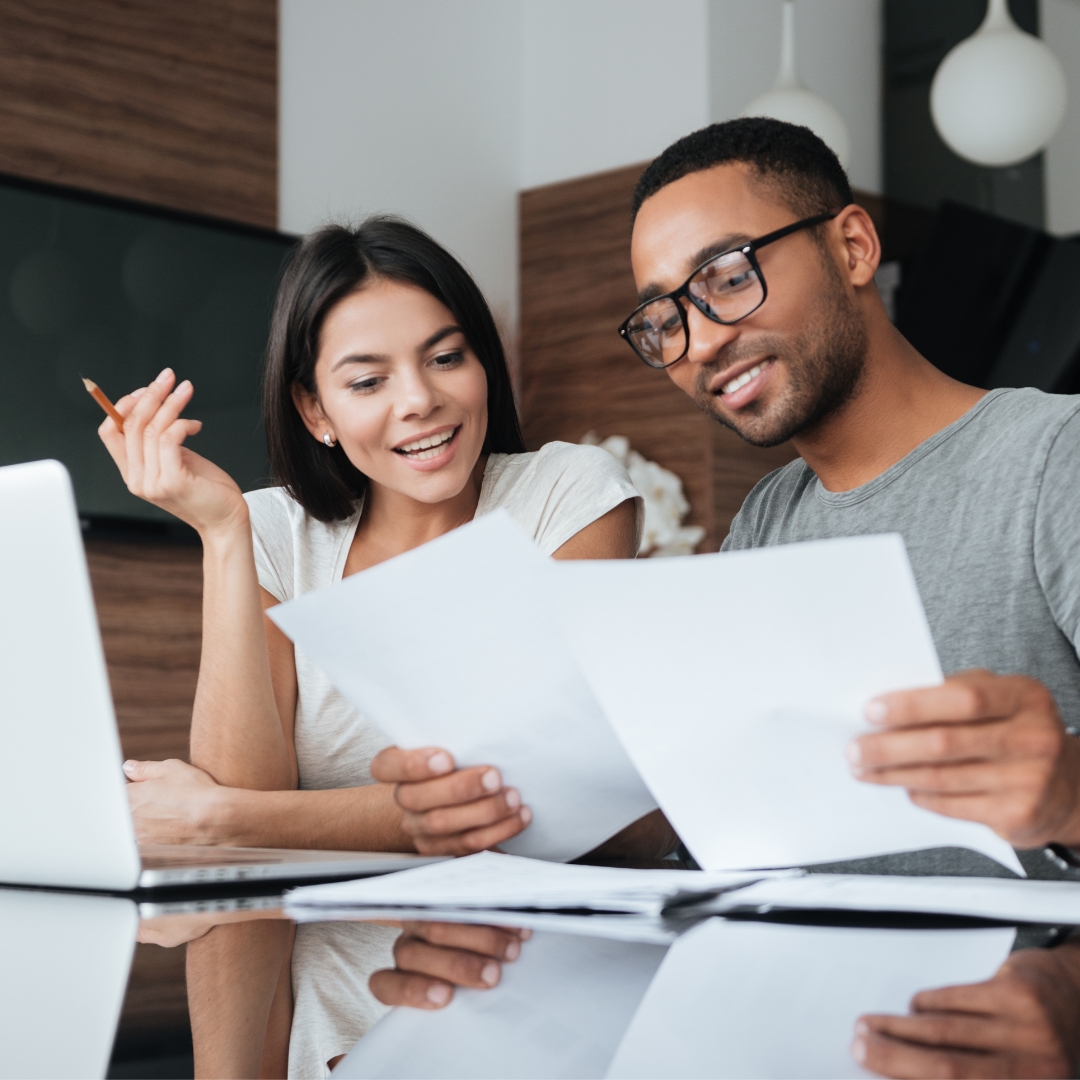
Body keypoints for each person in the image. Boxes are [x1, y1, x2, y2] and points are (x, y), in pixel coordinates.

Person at [373, 117, 1080, 1019]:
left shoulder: (1055, 458)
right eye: (662, 319)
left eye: (727, 278)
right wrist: (498, 812)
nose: (698, 343)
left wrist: (1068, 790)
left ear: (853, 246)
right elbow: (714, 821)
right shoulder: (766, 523)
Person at [97, 216, 674, 1076]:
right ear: (315, 410)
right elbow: (242, 858)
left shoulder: (570, 496)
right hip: (326, 1031)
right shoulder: (272, 532)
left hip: (529, 1010)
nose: (420, 400)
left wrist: (223, 819)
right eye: (368, 380)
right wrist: (222, 534)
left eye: (446, 358)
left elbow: (519, 801)